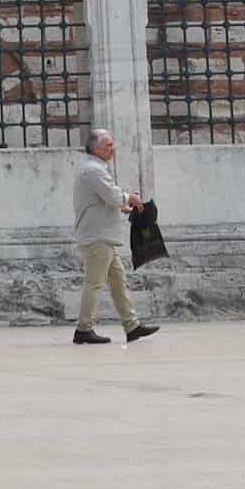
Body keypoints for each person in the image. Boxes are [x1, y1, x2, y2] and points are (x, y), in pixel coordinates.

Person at [69, 128, 159, 346]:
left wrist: (123, 207)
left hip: (103, 237)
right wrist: (131, 198)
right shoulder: (92, 170)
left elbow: (101, 200)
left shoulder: (95, 168)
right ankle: (83, 329)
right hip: (97, 238)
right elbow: (111, 195)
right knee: (94, 283)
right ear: (95, 148)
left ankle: (132, 326)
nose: (113, 148)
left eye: (112, 144)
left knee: (118, 281)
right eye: (108, 145)